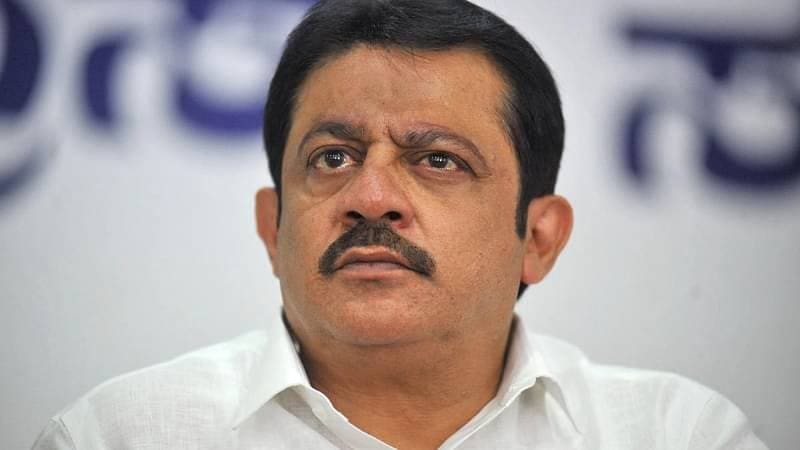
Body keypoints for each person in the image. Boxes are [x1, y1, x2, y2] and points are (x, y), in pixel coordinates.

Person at [33, 0, 768, 449]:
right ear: (272, 227)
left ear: (539, 238)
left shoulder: (675, 435)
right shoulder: (120, 435)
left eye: (439, 160)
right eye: (332, 157)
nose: (371, 195)